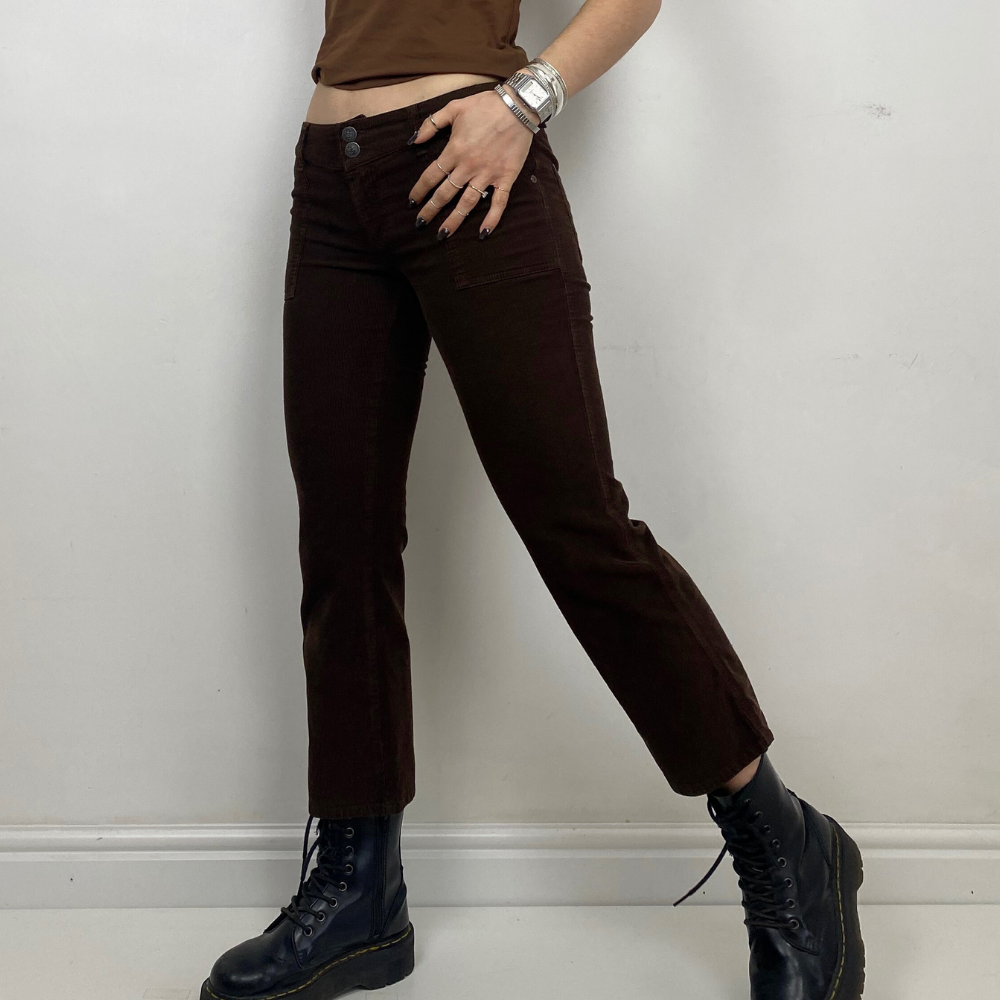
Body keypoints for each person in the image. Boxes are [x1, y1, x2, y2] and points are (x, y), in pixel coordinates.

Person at [200, 1, 865, 998]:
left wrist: (525, 101)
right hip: (330, 173)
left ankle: (784, 840)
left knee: (576, 525)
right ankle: (358, 891)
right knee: (341, 540)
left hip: (469, 156)